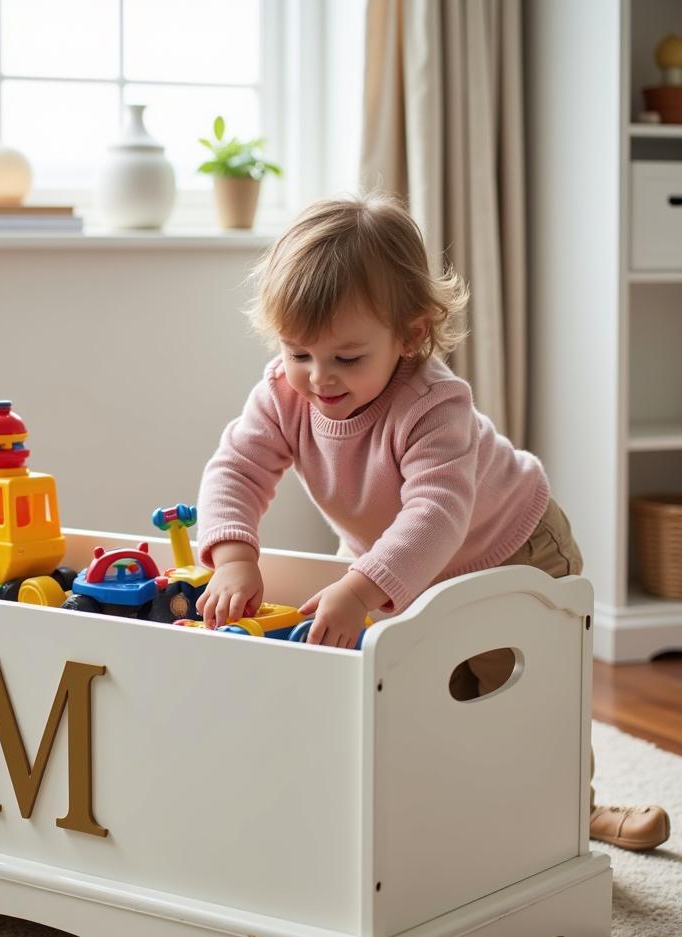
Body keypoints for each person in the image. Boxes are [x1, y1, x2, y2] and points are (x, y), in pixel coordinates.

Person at [195, 193, 670, 852]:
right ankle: (451, 809)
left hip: (513, 549)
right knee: (418, 690)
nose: (318, 378)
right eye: (298, 352)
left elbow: (437, 513)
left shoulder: (432, 403)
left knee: (516, 699)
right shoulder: (283, 392)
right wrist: (234, 557)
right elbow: (235, 469)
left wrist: (362, 589)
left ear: (412, 335)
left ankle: (572, 813)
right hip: (395, 564)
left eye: (347, 358)